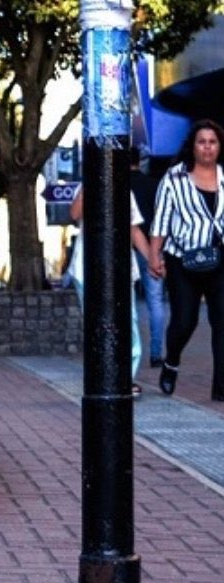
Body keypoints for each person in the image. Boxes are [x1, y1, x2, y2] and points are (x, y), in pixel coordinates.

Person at [149, 119, 224, 401]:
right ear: (192, 146)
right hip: (182, 259)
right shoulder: (175, 178)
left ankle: (221, 386)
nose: (207, 147)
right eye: (201, 142)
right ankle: (171, 363)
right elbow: (161, 220)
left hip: (219, 259)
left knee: (222, 321)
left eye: (212, 142)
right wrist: (154, 255)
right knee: (184, 320)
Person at [68, 185, 153, 397]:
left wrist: (152, 258)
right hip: (87, 269)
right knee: (95, 326)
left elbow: (134, 229)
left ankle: (126, 378)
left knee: (129, 322)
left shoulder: (125, 190)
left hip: (121, 268)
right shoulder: (85, 186)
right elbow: (75, 214)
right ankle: (100, 376)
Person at [130, 146, 166, 368]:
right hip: (152, 248)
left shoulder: (118, 185)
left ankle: (131, 350)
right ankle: (155, 353)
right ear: (139, 161)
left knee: (128, 302)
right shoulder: (154, 185)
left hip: (126, 249)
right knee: (155, 301)